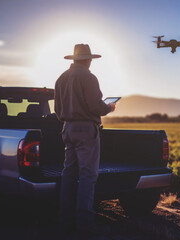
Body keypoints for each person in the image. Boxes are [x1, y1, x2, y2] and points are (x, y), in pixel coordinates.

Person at [54, 44, 116, 236]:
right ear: (89, 59)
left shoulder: (61, 79)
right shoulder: (88, 77)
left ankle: (65, 222)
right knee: (88, 176)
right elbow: (95, 107)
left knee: (69, 174)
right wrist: (109, 107)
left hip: (67, 128)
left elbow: (57, 110)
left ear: (74, 59)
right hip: (86, 130)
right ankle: (85, 226)